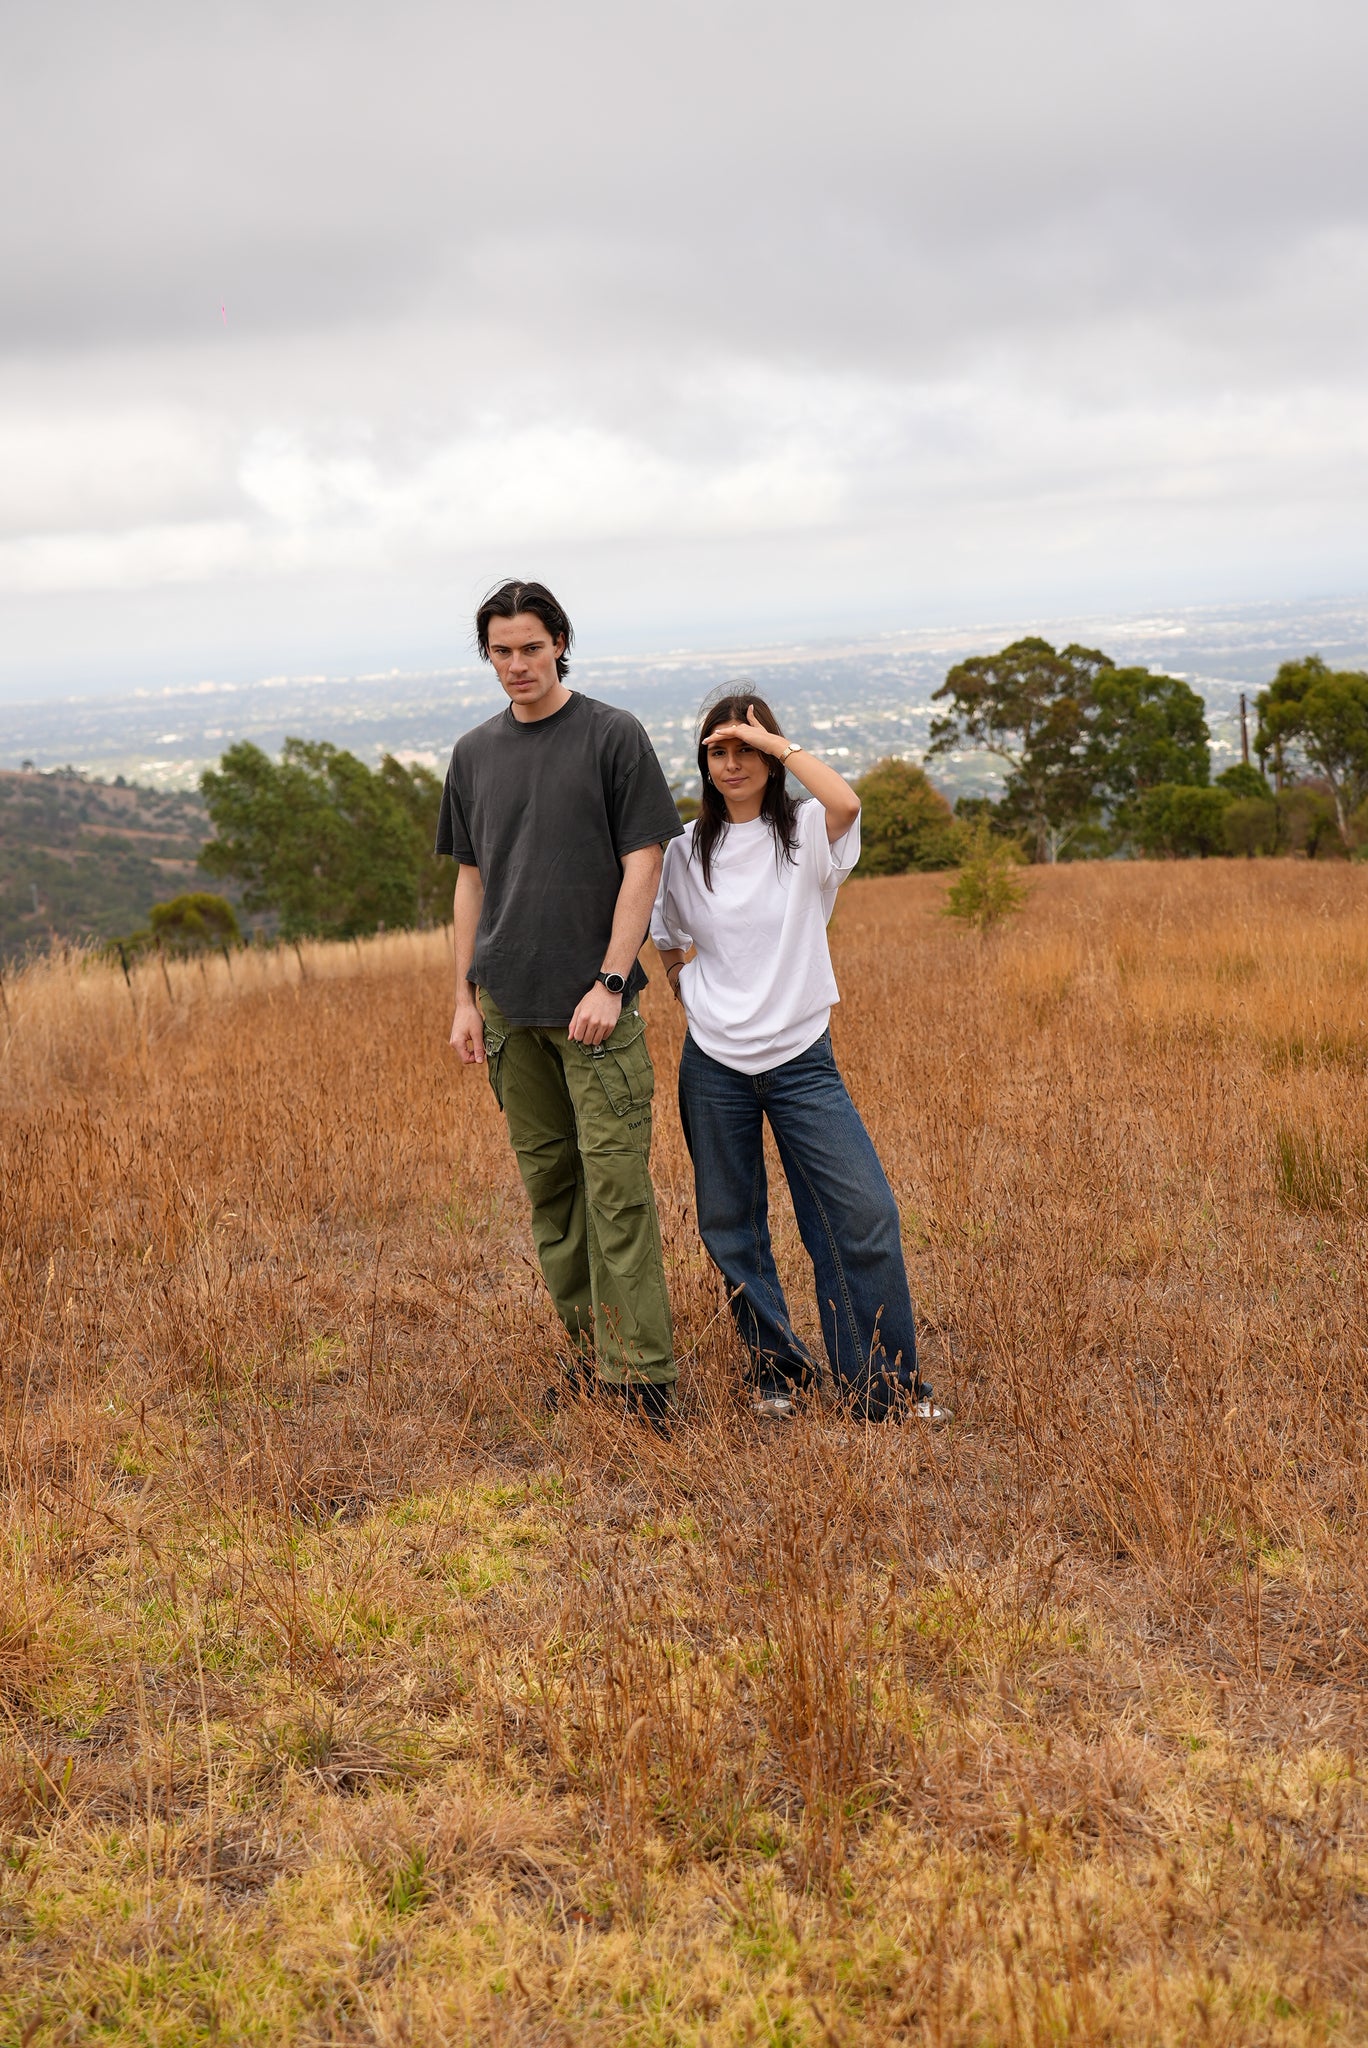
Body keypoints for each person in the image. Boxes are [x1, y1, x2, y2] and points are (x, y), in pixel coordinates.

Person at [651, 689, 946, 1424]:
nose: (731, 762)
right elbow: (664, 932)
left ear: (771, 752)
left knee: (862, 1213)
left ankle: (881, 1390)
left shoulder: (808, 831)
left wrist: (779, 746)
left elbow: (846, 800)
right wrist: (683, 985)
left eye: (745, 747)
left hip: (801, 1058)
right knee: (731, 1223)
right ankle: (776, 1373)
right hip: (713, 1064)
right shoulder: (686, 850)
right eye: (717, 751)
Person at [438, 579, 685, 1420]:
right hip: (511, 1012)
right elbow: (471, 883)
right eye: (501, 651)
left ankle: (643, 1379)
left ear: (559, 644)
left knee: (617, 1190)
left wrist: (612, 982)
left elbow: (643, 863)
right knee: (553, 1190)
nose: (516, 665)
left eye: (530, 648)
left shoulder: (612, 735)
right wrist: (466, 998)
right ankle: (590, 1358)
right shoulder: (474, 754)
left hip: (594, 1011)